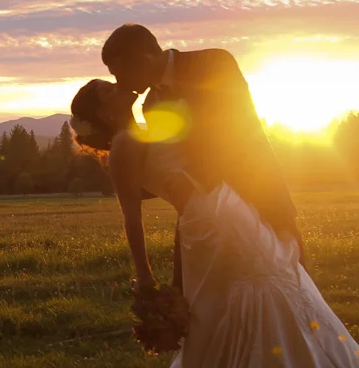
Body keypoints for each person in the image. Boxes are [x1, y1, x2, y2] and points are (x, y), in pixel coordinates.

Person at [69, 79, 359, 368]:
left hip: (226, 205)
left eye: (113, 81)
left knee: (273, 282)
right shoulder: (124, 144)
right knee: (252, 293)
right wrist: (144, 275)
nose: (117, 85)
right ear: (101, 112)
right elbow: (131, 216)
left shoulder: (144, 127)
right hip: (206, 224)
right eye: (107, 90)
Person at [100, 23, 303, 289]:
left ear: (142, 60)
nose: (119, 83)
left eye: (119, 73)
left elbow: (231, 131)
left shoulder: (214, 63)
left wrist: (192, 180)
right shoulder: (151, 104)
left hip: (258, 196)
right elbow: (165, 167)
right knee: (198, 304)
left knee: (284, 286)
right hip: (202, 218)